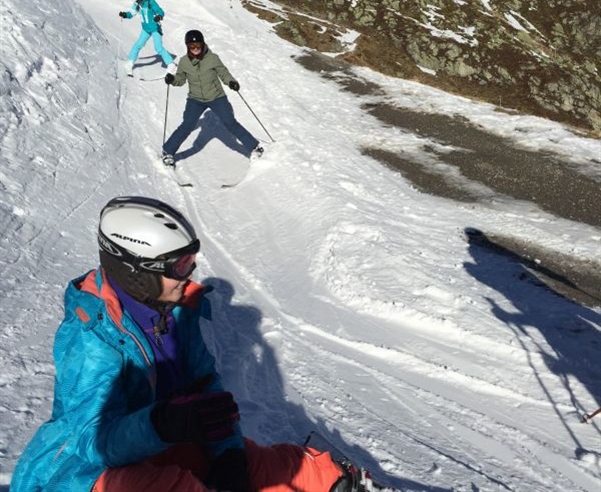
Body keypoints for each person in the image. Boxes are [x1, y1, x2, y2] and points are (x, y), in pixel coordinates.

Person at [10, 196, 378, 492]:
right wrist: (162, 423)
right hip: (81, 474)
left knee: (273, 468)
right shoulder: (92, 337)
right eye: (180, 265)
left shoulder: (175, 314)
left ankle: (344, 485)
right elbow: (93, 441)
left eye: (191, 262)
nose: (190, 275)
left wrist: (228, 455)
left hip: (161, 446)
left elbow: (207, 390)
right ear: (137, 271)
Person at [162, 30, 263, 167]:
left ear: (203, 44)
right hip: (195, 99)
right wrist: (172, 79)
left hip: (216, 97)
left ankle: (255, 147)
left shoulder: (213, 58)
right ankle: (168, 151)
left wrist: (231, 82)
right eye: (192, 46)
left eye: (198, 45)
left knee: (230, 122)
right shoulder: (184, 62)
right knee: (187, 125)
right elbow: (180, 80)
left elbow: (223, 73)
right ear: (187, 46)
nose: (195, 48)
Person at [118, 0, 176, 77]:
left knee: (158, 48)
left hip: (155, 28)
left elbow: (160, 11)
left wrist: (159, 16)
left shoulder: (151, 2)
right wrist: (125, 14)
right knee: (138, 45)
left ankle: (171, 64)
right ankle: (129, 63)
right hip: (146, 29)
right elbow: (131, 13)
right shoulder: (137, 3)